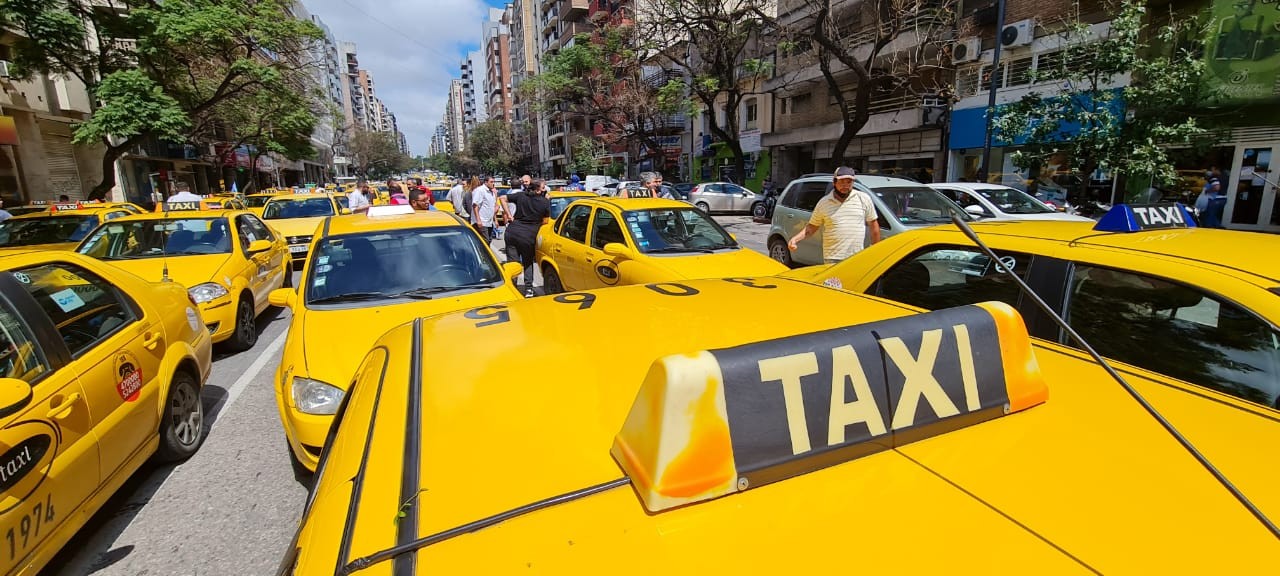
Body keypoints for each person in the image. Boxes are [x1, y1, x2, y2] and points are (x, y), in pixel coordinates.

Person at [788, 166, 881, 265]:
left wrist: (875, 250)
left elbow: (873, 224)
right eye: (842, 182)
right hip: (832, 258)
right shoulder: (824, 203)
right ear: (834, 182)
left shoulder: (863, 198)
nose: (845, 186)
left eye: (849, 182)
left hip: (856, 257)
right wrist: (795, 239)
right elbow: (812, 226)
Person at [502, 179, 551, 298]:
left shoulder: (521, 196)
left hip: (512, 232)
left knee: (512, 262)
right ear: (538, 190)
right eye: (543, 188)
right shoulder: (544, 202)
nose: (545, 190)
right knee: (528, 262)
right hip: (528, 236)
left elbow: (502, 198)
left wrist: (509, 215)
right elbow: (546, 221)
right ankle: (528, 289)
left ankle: (511, 287)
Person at [472, 175, 498, 242]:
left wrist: (495, 220)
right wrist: (478, 220)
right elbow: (475, 205)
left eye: (494, 182)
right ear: (486, 182)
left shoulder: (491, 192)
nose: (493, 183)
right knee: (485, 241)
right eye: (491, 182)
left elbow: (492, 207)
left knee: (489, 240)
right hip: (482, 222)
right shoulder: (480, 190)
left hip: (489, 222)